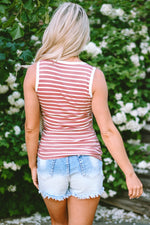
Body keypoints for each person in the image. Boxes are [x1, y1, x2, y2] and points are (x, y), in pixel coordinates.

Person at [23, 2, 143, 225]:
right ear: (82, 35)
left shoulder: (35, 72)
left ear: (55, 30)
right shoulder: (93, 76)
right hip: (87, 160)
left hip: (50, 160)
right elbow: (107, 130)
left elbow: (31, 128)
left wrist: (32, 164)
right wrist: (129, 173)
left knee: (58, 223)